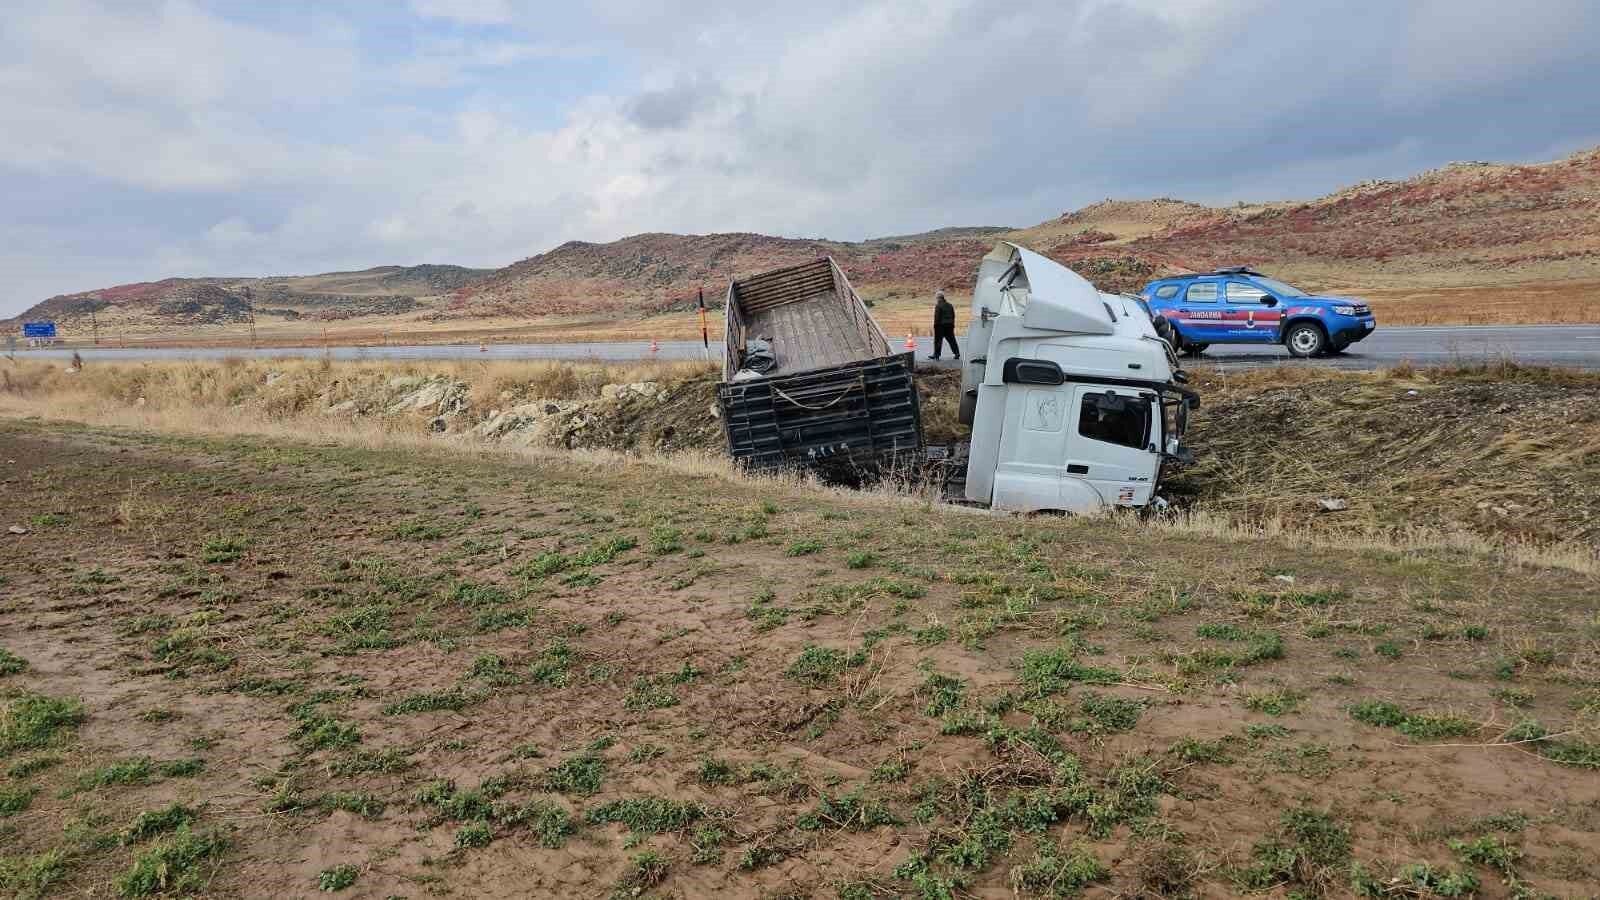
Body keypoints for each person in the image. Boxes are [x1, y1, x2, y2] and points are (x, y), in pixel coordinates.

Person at [930, 290, 960, 360]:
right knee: (952, 340)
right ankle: (957, 353)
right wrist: (952, 324)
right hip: (950, 325)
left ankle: (936, 355)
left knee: (938, 340)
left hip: (940, 326)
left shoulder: (938, 306)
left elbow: (937, 317)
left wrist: (935, 325)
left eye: (937, 298)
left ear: (939, 298)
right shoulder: (950, 305)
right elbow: (953, 315)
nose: (936, 299)